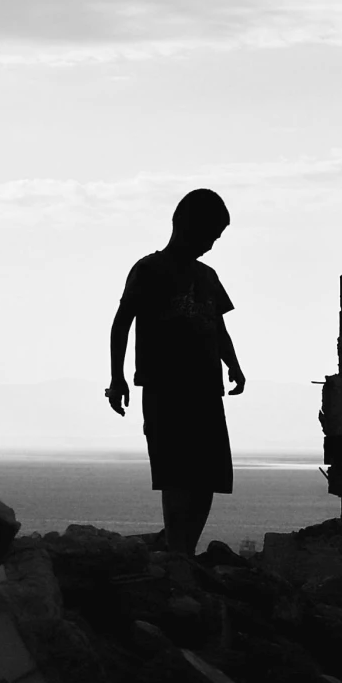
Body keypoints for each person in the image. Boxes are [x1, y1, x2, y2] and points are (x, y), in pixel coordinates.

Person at [106, 188, 247, 556]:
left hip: (205, 390)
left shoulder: (208, 276)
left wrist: (233, 365)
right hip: (164, 387)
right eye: (210, 234)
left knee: (207, 476)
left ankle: (183, 550)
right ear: (184, 225)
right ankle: (176, 551)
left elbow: (218, 327)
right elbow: (122, 322)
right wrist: (116, 377)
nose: (212, 244)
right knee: (176, 473)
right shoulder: (149, 270)